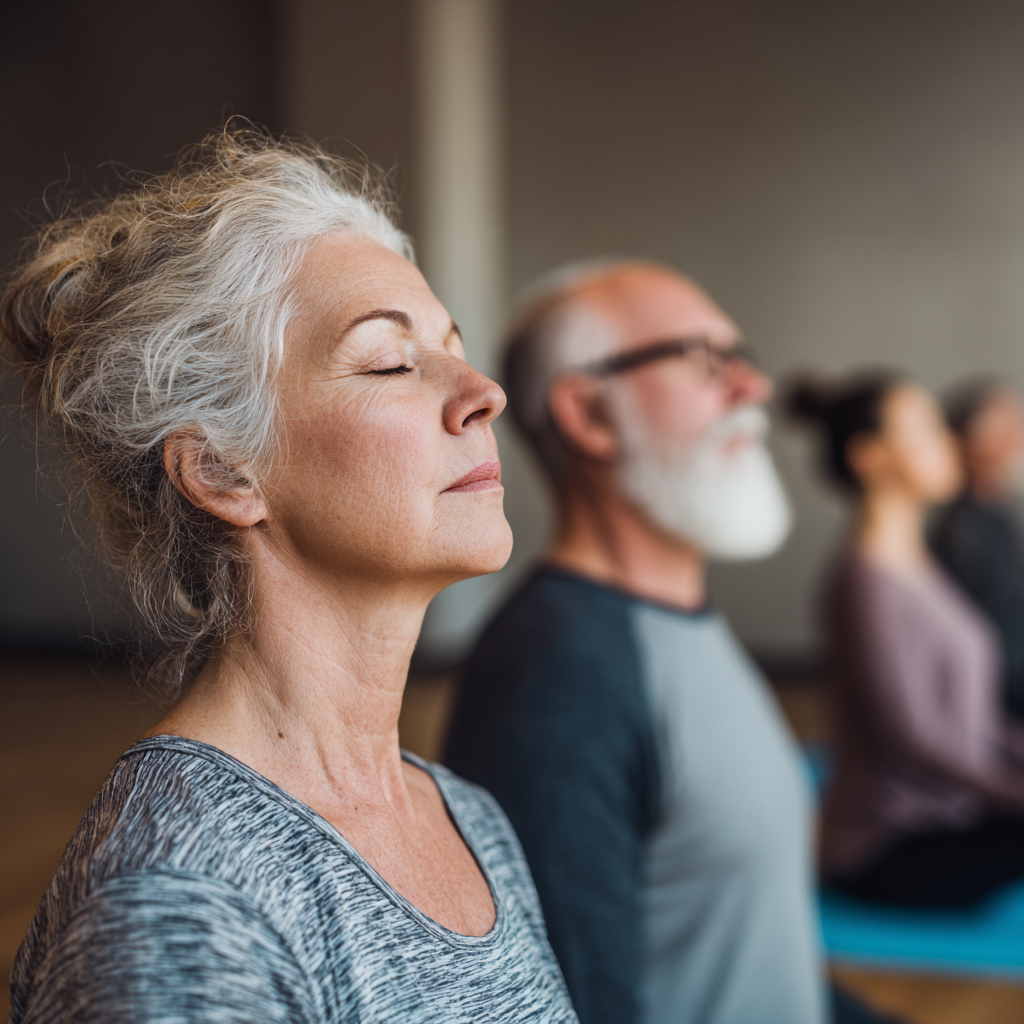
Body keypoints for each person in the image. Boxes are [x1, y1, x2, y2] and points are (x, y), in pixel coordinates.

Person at [1, 129, 577, 1023]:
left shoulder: (465, 814)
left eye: (453, 346)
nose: (483, 391)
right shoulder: (181, 904)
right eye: (390, 361)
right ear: (225, 472)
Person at [446, 260, 875, 1024]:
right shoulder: (561, 671)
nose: (755, 389)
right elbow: (573, 1002)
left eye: (742, 360)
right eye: (706, 360)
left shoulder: (678, 621)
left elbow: (751, 942)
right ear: (590, 414)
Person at [789, 373, 1024, 908]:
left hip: (957, 811)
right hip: (890, 846)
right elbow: (914, 738)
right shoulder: (865, 579)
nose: (948, 444)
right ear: (870, 456)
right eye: (925, 431)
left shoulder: (918, 562)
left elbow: (978, 720)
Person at [932, 380, 1024, 720]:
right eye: (1009, 427)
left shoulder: (997, 514)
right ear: (972, 442)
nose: (1019, 439)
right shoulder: (965, 530)